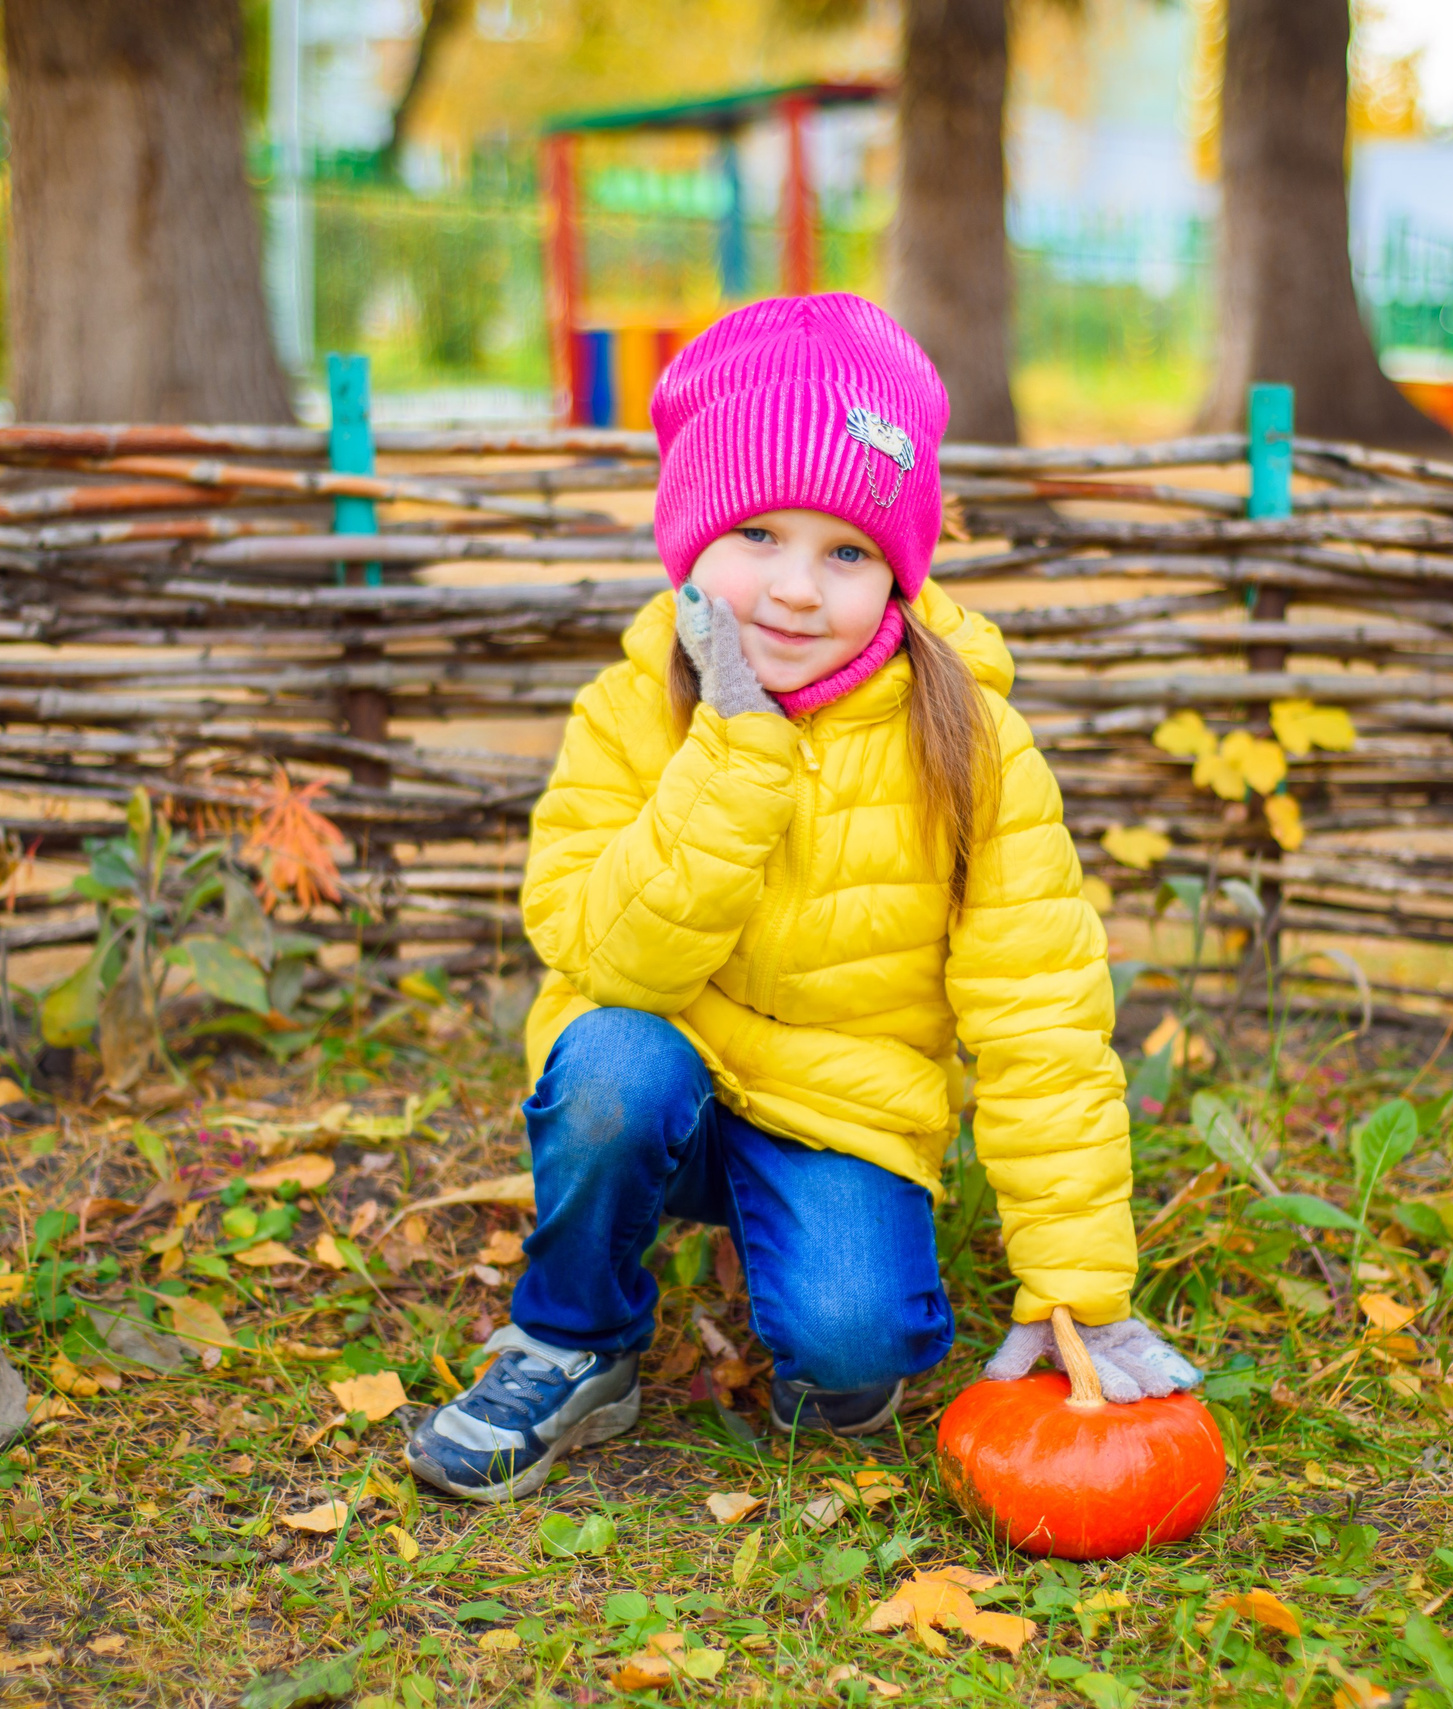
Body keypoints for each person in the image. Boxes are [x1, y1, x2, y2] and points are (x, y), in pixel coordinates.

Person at [407, 293, 1200, 1502]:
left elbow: (1039, 1017)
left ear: (896, 571)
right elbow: (608, 958)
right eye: (757, 536)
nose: (790, 589)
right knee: (615, 1065)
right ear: (689, 541)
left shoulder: (971, 742)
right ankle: (574, 1337)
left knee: (850, 1347)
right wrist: (732, 752)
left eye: (844, 551)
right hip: (658, 1062)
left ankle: (817, 1269)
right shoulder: (632, 709)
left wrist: (1079, 1281)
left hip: (841, 1107)